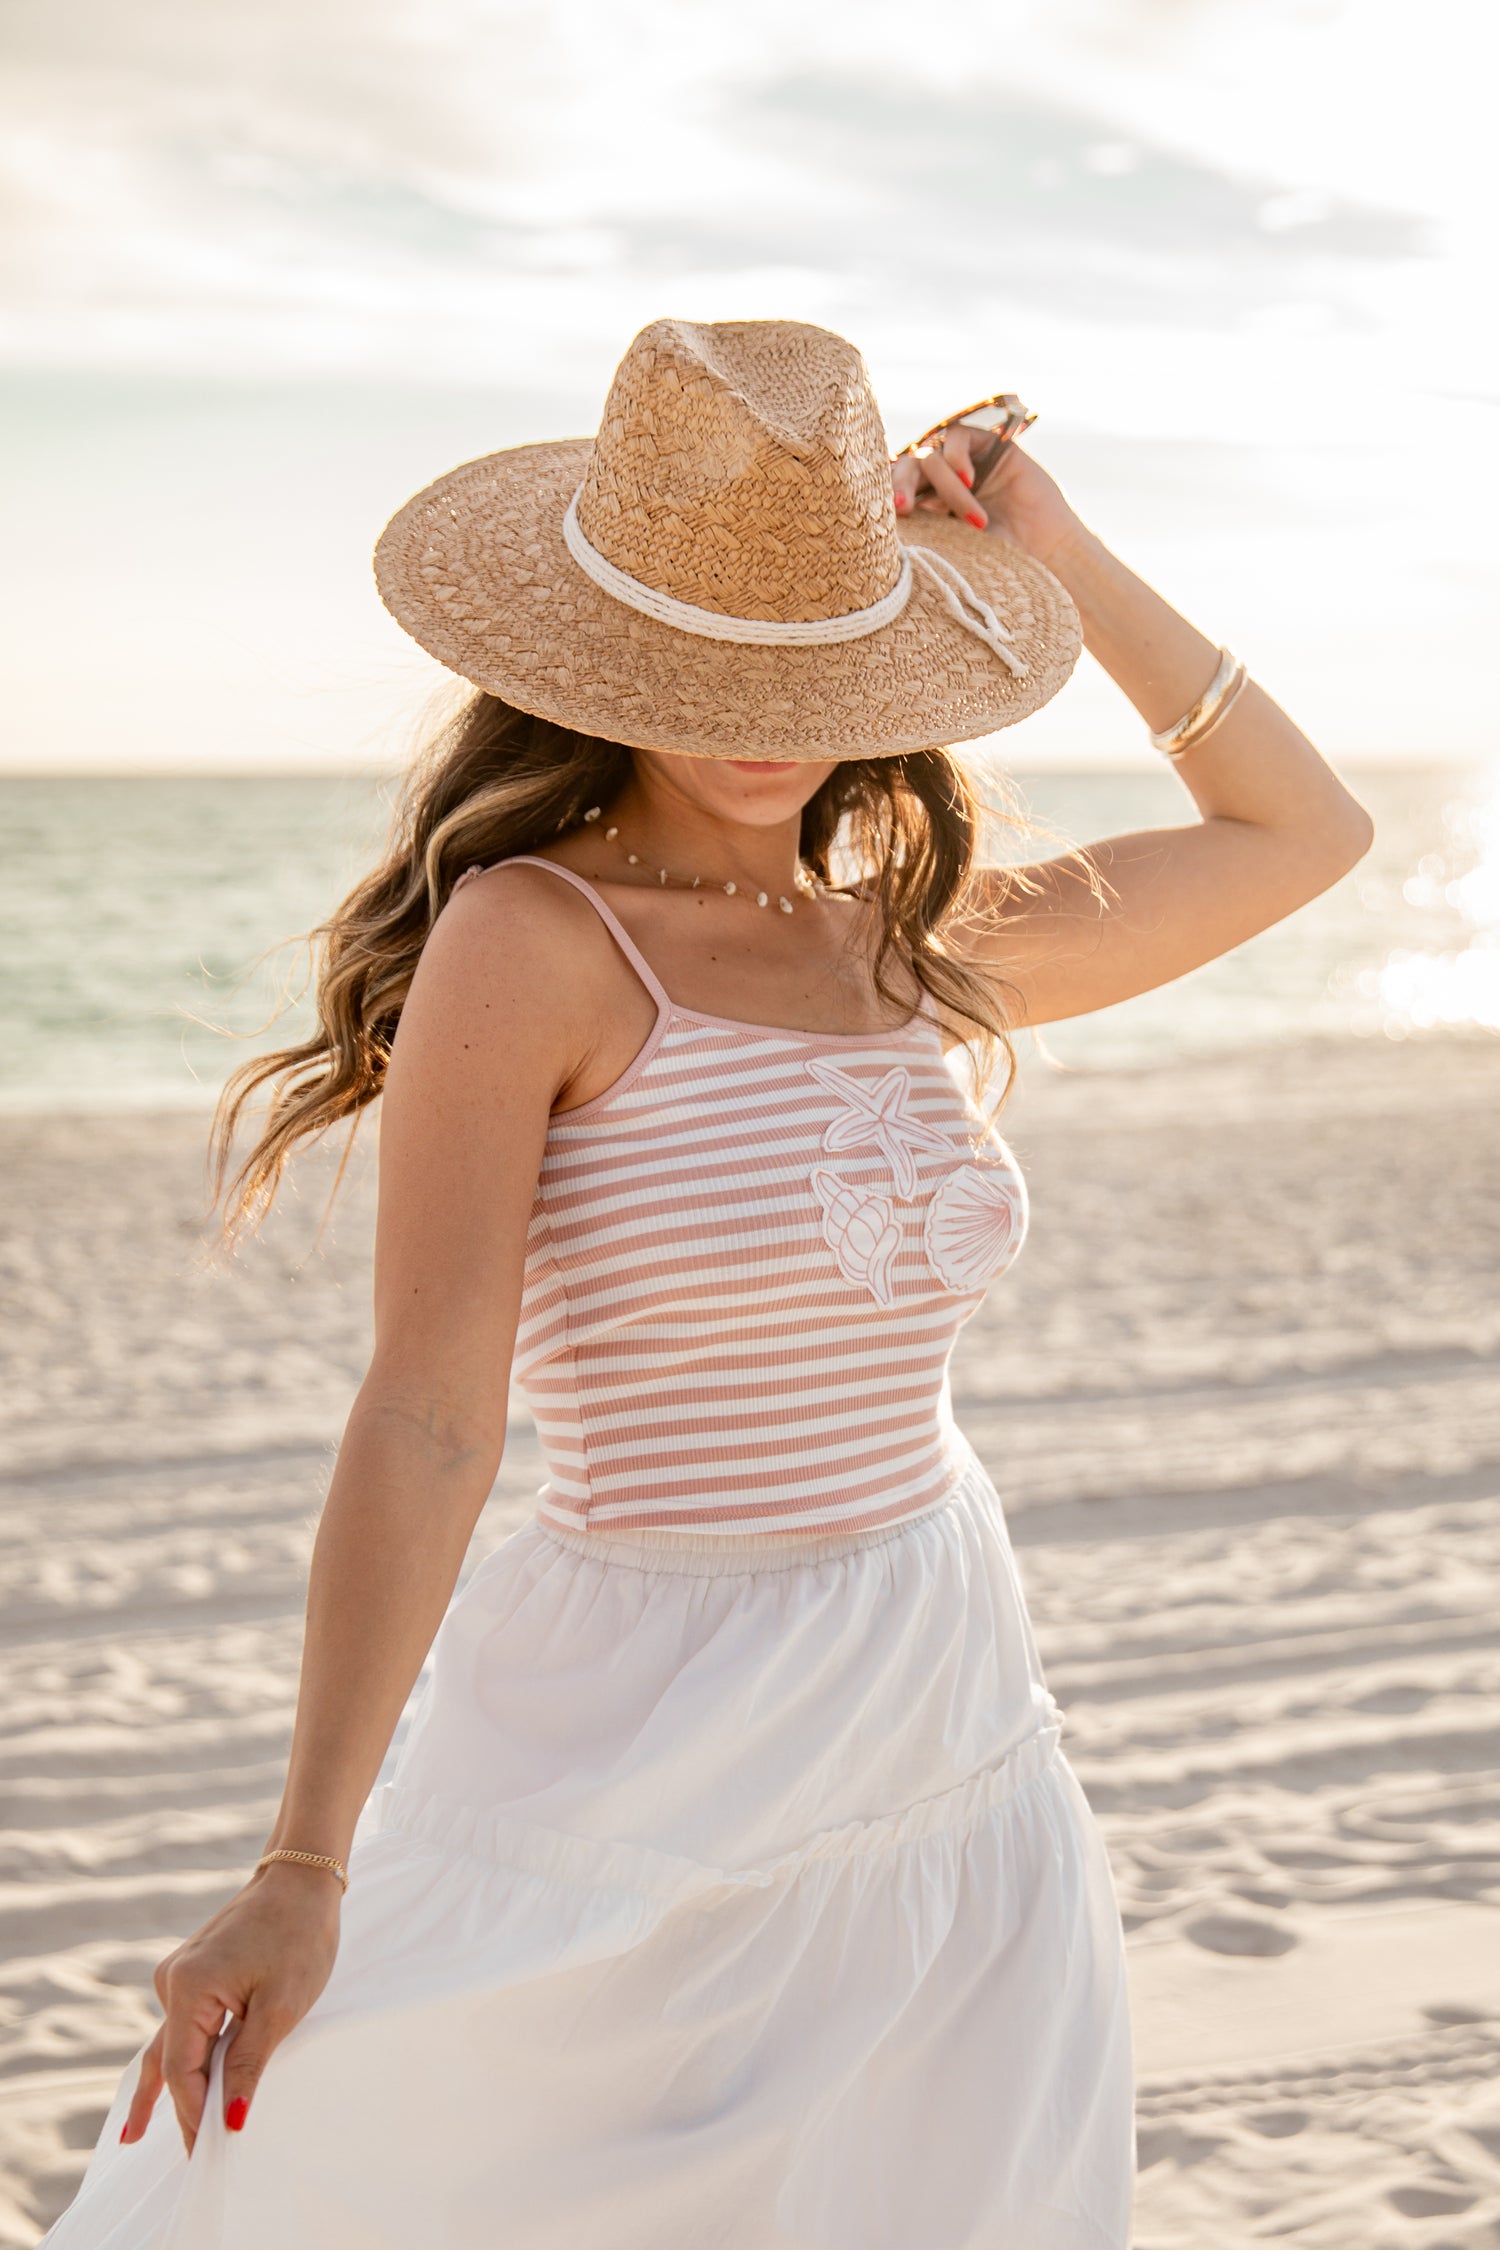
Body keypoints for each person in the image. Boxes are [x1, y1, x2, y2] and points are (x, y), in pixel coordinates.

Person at [44, 318, 1372, 2250]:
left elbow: (1303, 833)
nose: (764, 719)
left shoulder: (907, 948)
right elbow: (429, 1408)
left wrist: (1057, 552)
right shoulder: (536, 937)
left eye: (815, 661)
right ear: (602, 663)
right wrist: (301, 1857)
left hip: (941, 1685)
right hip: (644, 1711)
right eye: (706, 664)